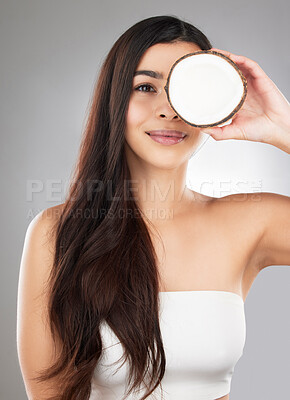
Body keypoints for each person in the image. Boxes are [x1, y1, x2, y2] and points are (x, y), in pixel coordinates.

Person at [17, 15, 290, 400]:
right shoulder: (57, 232)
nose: (169, 110)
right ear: (115, 100)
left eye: (186, 90)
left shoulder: (251, 222)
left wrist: (283, 126)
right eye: (146, 86)